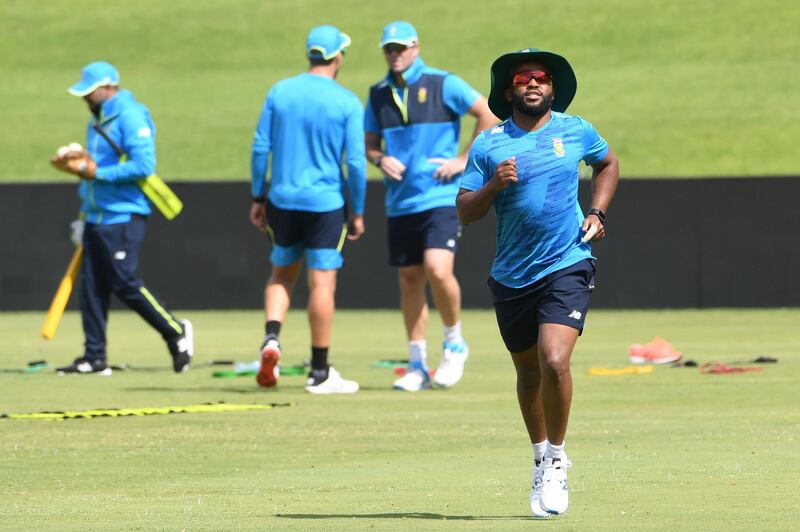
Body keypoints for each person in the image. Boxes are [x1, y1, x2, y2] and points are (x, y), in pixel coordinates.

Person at [456, 48, 619, 517]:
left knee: (554, 359)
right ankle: (538, 454)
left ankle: (555, 460)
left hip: (568, 262)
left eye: (541, 77)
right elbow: (465, 209)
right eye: (523, 78)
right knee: (528, 374)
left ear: (552, 87)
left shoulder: (575, 129)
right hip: (511, 276)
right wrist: (493, 186)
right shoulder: (489, 145)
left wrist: (597, 211)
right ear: (509, 91)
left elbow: (607, 163)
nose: (533, 83)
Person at [364, 21, 497, 392]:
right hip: (400, 201)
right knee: (409, 280)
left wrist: (463, 160)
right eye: (388, 49)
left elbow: (488, 114)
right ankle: (417, 363)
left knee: (438, 270)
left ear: (415, 47)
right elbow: (370, 142)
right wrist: (379, 159)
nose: (394, 54)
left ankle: (454, 342)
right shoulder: (377, 94)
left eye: (400, 47)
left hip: (441, 196)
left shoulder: (443, 83)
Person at [53, 61, 193, 375]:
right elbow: (95, 170)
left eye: (90, 92)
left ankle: (174, 330)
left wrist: (95, 172)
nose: (85, 99)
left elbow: (144, 165)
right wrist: (78, 168)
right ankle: (94, 356)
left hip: (123, 214)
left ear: (108, 87)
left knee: (123, 281)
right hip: (95, 215)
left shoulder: (130, 115)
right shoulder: (97, 120)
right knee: (92, 287)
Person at [250, 25, 366, 394]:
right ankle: (319, 371)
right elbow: (358, 163)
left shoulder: (280, 92)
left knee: (281, 275)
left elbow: (259, 148)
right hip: (325, 204)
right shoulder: (346, 101)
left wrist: (257, 197)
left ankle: (272, 339)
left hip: (281, 200)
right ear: (338, 57)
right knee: (322, 283)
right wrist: (358, 210)